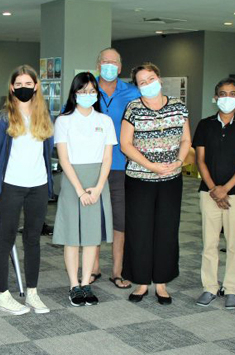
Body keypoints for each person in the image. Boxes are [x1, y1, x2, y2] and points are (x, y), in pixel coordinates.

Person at [120, 62, 191, 305]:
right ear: (137, 87)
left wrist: (179, 161)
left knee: (166, 230)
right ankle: (141, 282)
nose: (148, 84)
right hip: (140, 179)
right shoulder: (133, 108)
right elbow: (125, 144)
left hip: (171, 180)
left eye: (151, 79)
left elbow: (186, 139)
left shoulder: (178, 107)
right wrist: (152, 166)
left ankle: (161, 283)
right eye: (142, 82)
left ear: (159, 78)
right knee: (140, 230)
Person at [192, 78, 235, 309]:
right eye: (222, 93)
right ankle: (209, 287)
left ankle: (232, 289)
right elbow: (200, 160)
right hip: (208, 193)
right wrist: (213, 189)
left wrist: (225, 189)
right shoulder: (205, 124)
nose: (227, 98)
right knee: (209, 243)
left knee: (233, 244)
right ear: (215, 97)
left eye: (232, 94)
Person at [0, 64, 54, 315]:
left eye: (29, 84)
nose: (24, 88)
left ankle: (32, 293)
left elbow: (47, 151)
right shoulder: (4, 117)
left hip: (38, 186)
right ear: (11, 87)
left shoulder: (44, 115)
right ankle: (3, 295)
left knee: (33, 240)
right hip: (11, 187)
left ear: (36, 86)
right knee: (5, 239)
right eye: (19, 85)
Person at [52, 72, 116, 306]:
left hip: (98, 182)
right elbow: (64, 158)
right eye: (82, 91)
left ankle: (87, 282)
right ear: (74, 93)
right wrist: (80, 190)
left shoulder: (104, 120)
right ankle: (73, 285)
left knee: (91, 238)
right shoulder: (64, 120)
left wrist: (98, 187)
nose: (87, 95)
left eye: (91, 91)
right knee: (72, 237)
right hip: (73, 182)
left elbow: (108, 157)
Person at [94, 48, 140, 289]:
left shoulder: (132, 93)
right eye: (105, 62)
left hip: (123, 165)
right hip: (93, 164)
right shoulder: (87, 90)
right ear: (98, 65)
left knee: (120, 220)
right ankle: (93, 268)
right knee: (94, 217)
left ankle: (117, 270)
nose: (109, 66)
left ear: (120, 68)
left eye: (114, 62)